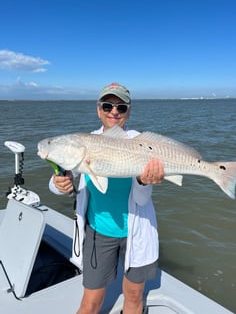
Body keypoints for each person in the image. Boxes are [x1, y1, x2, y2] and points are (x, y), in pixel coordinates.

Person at [49, 82, 164, 314]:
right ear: (98, 109)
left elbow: (141, 200)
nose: (114, 111)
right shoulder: (82, 143)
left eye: (121, 107)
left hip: (137, 231)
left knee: (133, 296)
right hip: (98, 233)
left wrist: (143, 181)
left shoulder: (139, 143)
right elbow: (60, 178)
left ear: (129, 111)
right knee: (90, 302)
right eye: (108, 105)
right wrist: (58, 184)